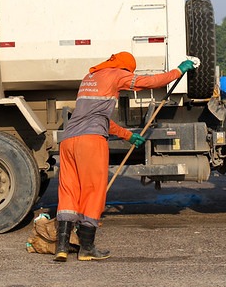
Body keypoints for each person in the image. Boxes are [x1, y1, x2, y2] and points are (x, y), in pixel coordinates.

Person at [54, 52, 195, 262]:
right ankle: (86, 248)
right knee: (94, 190)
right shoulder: (117, 74)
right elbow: (150, 82)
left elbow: (97, 117)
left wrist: (128, 136)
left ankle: (62, 248)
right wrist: (179, 71)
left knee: (69, 190)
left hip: (68, 140)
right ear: (126, 68)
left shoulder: (89, 78)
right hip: (90, 141)